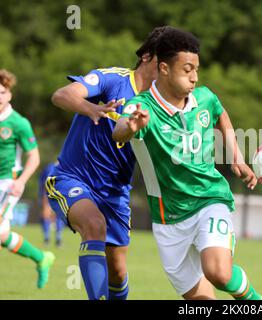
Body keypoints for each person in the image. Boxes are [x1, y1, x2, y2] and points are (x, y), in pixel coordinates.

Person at [113, 27, 262, 300]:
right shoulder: (141, 106)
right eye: (187, 69)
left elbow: (221, 114)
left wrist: (236, 158)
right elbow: (119, 130)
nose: (194, 77)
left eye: (197, 69)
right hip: (168, 218)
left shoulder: (204, 97)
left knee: (218, 272)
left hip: (210, 199)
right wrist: (132, 126)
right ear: (164, 68)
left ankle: (257, 302)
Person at [46, 26, 170, 300]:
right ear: (148, 56)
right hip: (72, 179)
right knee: (94, 225)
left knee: (117, 270)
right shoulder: (112, 79)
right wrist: (91, 107)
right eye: (166, 60)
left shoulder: (160, 106)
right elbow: (61, 95)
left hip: (115, 194)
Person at [0, 69, 55, 288]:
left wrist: (21, 182)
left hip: (8, 183)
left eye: (2, 92)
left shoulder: (18, 123)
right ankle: (42, 258)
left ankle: (42, 258)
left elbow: (34, 156)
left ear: (10, 95)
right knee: (3, 235)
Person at [39, 161, 65, 246]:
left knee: (49, 214)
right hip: (57, 192)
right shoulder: (61, 167)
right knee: (57, 214)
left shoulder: (50, 167)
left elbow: (42, 181)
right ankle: (56, 238)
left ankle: (50, 238)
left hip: (50, 192)